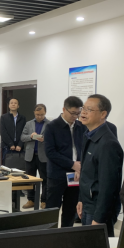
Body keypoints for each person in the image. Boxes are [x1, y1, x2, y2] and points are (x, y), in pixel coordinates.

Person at [76, 95, 123, 236]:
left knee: (97, 247)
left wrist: (99, 218)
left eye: (89, 110)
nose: (83, 112)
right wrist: (81, 199)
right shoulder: (89, 135)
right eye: (83, 108)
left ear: (103, 114)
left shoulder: (108, 144)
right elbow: (86, 173)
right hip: (88, 204)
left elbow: (108, 186)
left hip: (98, 209)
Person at [44, 96, 85, 228]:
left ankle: (66, 234)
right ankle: (49, 235)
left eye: (78, 113)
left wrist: (79, 166)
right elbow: (50, 152)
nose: (75, 116)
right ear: (64, 109)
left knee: (70, 208)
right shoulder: (51, 127)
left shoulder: (81, 126)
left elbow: (84, 149)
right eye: (73, 113)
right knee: (52, 208)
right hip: (57, 174)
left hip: (75, 175)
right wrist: (72, 164)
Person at [20, 104, 50, 210]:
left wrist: (45, 139)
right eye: (37, 114)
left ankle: (44, 200)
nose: (39, 116)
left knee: (45, 179)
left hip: (44, 156)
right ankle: (31, 200)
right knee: (29, 178)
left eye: (42, 114)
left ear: (45, 113)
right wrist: (31, 136)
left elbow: (54, 139)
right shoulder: (28, 124)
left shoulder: (49, 124)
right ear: (34, 113)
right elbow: (22, 137)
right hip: (30, 156)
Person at [0, 98, 27, 165]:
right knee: (7, 166)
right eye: (11, 103)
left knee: (19, 166)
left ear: (18, 106)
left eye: (15, 103)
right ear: (9, 105)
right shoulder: (3, 117)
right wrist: (10, 144)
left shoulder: (22, 118)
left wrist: (20, 144)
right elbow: (3, 132)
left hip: (19, 147)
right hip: (7, 146)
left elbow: (25, 132)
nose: (13, 104)